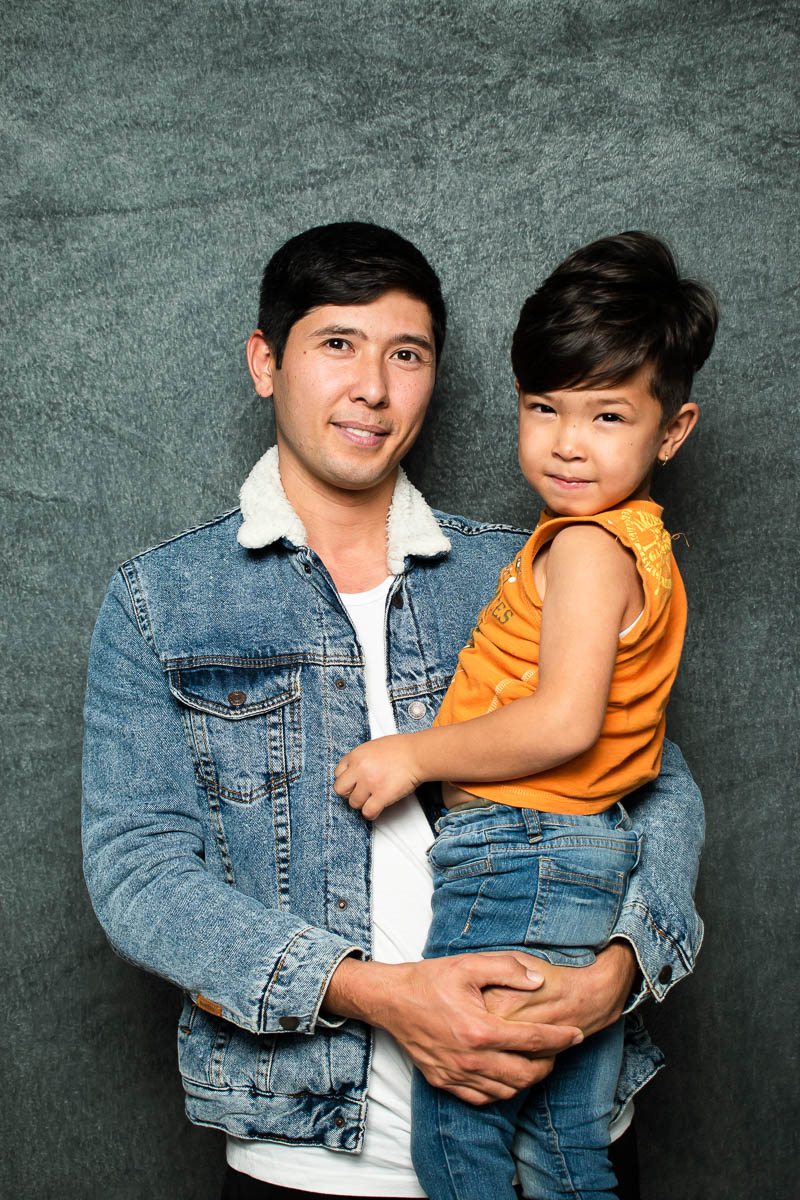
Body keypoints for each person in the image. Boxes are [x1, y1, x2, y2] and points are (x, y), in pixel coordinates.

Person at [82, 222, 706, 1200]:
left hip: (560, 1119)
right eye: (337, 344)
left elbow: (656, 785)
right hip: (316, 1155)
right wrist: (377, 995)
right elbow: (139, 875)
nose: (372, 386)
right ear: (264, 362)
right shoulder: (162, 602)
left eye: (404, 354)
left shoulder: (534, 562)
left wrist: (612, 977)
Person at [333, 232, 717, 1200]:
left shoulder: (587, 548)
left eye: (606, 415)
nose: (565, 442)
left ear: (670, 433)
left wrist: (410, 754)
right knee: (556, 1138)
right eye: (542, 407)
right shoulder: (636, 543)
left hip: (521, 857)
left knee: (458, 1136)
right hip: (575, 856)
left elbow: (561, 724)